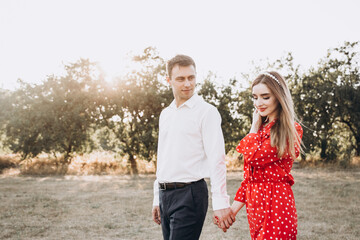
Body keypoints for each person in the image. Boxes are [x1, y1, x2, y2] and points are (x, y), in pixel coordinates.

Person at [152, 54, 235, 240]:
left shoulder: (207, 112)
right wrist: (157, 197)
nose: (187, 84)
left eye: (191, 77)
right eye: (180, 79)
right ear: (169, 81)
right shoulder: (165, 114)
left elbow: (217, 159)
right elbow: (163, 157)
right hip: (165, 195)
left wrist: (221, 201)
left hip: (190, 195)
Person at [216, 71, 303, 239]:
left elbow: (255, 156)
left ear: (279, 97)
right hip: (255, 207)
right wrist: (230, 213)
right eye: (255, 97)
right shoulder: (260, 132)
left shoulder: (290, 129)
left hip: (276, 205)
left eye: (265, 97)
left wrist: (253, 129)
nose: (258, 103)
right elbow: (250, 179)